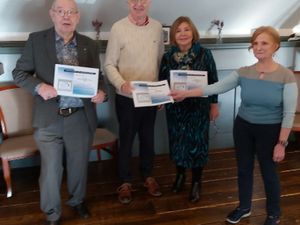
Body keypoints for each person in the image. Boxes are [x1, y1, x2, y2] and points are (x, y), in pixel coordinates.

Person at [170, 26, 298, 225]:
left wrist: (281, 143)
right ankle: (244, 207)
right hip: (244, 127)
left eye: (264, 43)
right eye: (255, 43)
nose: (259, 47)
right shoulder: (243, 72)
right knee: (243, 169)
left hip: (270, 130)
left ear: (275, 46)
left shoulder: (286, 76)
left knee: (269, 173)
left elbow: (289, 113)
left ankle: (273, 213)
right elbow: (215, 87)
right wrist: (185, 93)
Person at [12, 0, 106, 224]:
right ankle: (52, 214)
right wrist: (39, 86)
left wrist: (102, 93)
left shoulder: (89, 45)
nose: (66, 16)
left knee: (78, 166)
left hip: (80, 117)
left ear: (78, 16)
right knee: (51, 171)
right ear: (52, 14)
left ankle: (77, 201)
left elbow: (98, 79)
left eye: (71, 12)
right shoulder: (36, 40)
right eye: (61, 11)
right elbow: (19, 73)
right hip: (48, 119)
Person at [104, 0, 164, 204]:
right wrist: (121, 84)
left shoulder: (157, 27)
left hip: (150, 96)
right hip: (126, 97)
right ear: (128, 3)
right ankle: (125, 181)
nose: (139, 4)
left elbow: (160, 62)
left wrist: (161, 93)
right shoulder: (118, 28)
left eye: (144, 0)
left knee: (148, 139)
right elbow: (109, 64)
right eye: (134, 0)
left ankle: (148, 176)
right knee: (127, 139)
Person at [159, 16, 219, 203]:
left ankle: (196, 182)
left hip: (198, 108)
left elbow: (214, 82)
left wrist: (214, 104)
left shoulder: (205, 54)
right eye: (178, 30)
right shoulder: (168, 57)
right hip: (176, 109)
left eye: (186, 29)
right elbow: (162, 82)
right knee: (178, 143)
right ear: (173, 36)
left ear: (193, 32)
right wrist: (159, 98)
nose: (183, 34)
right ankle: (180, 176)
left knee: (198, 145)